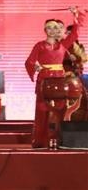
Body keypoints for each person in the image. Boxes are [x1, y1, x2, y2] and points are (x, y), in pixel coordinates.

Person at [25, 8, 84, 148]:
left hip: (59, 79)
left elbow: (75, 33)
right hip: (44, 80)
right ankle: (41, 140)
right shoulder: (39, 45)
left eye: (55, 27)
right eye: (49, 27)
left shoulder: (62, 45)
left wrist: (76, 16)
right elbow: (29, 61)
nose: (53, 30)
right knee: (42, 110)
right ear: (45, 30)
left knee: (60, 110)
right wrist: (36, 67)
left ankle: (59, 140)